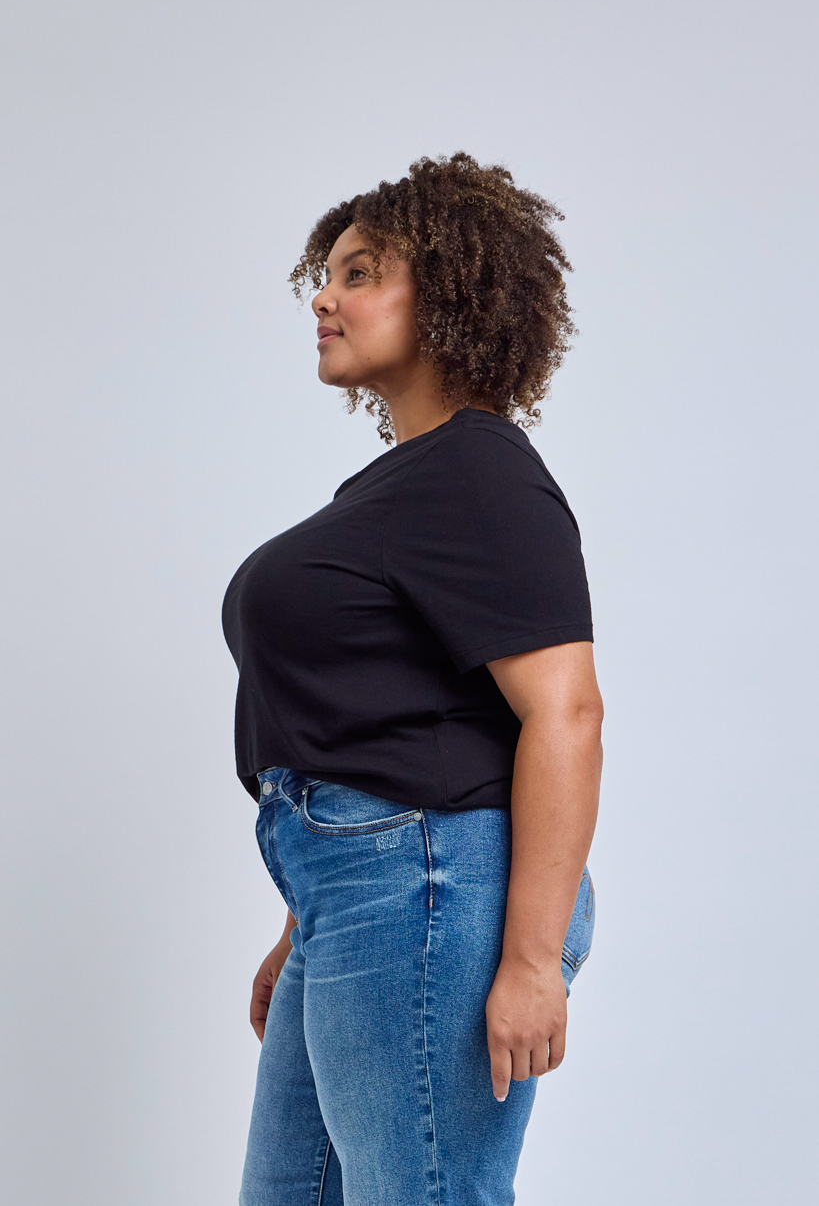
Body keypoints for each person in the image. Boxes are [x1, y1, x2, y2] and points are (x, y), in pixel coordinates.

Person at [222, 151, 604, 1206]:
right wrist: (301, 923)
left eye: (359, 274)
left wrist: (530, 962)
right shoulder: (400, 487)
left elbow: (566, 712)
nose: (323, 298)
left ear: (444, 295)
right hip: (360, 898)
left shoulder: (479, 469)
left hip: (429, 894)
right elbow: (385, 717)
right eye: (326, 276)